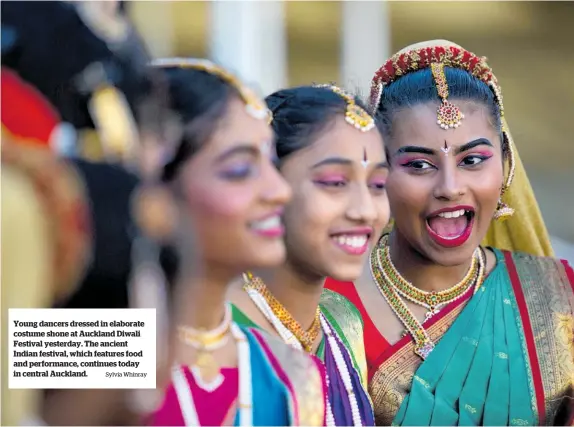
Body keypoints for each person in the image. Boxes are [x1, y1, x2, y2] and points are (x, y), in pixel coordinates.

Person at [325, 40, 574, 426]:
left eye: (472, 160)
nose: (450, 186)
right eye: (419, 165)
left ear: (506, 164)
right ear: (378, 172)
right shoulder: (327, 308)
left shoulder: (557, 296)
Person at [147, 58, 327, 426]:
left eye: (271, 164)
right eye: (240, 170)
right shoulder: (79, 348)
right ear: (154, 191)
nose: (278, 191)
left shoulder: (289, 375)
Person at [229, 84, 390, 426]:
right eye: (334, 182)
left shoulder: (342, 322)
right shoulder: (191, 318)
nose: (365, 211)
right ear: (268, 187)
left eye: (377, 185)